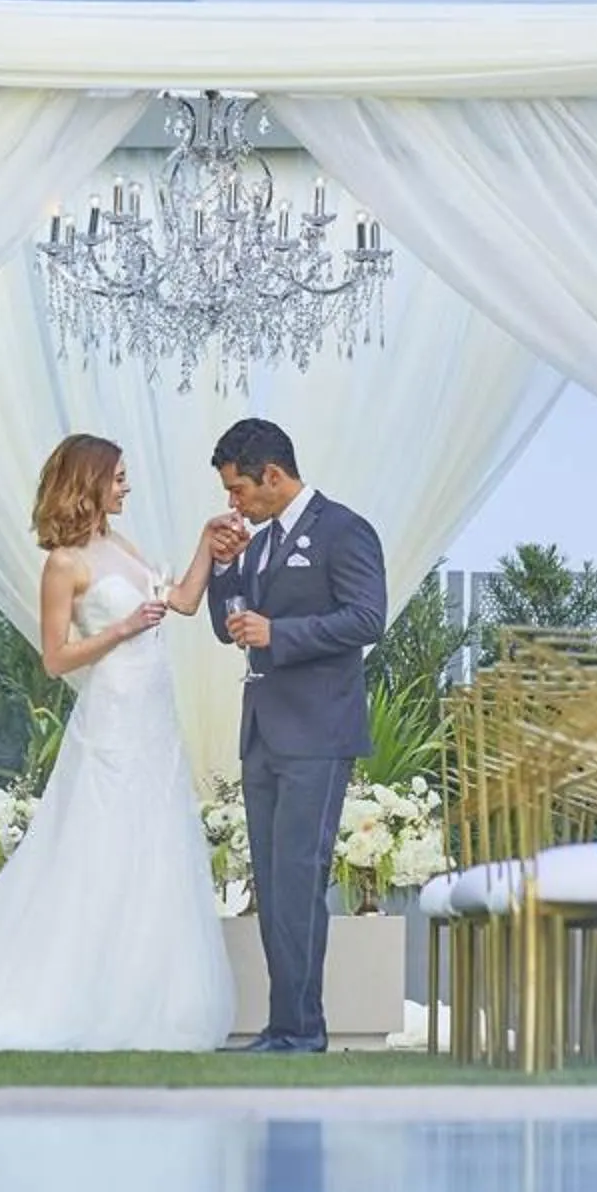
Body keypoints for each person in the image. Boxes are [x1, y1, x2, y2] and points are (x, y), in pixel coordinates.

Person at [0, 434, 236, 1052]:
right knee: (100, 848)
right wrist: (119, 629)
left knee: (156, 850)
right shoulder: (65, 563)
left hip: (155, 719)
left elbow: (185, 602)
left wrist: (206, 542)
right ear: (88, 482)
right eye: (117, 477)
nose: (125, 486)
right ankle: (76, 993)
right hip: (113, 716)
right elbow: (56, 659)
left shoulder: (119, 545)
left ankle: (151, 1000)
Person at [205, 419, 388, 1054]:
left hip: (317, 732)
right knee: (273, 882)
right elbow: (229, 627)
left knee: (299, 880)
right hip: (261, 733)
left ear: (273, 477)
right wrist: (226, 570)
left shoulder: (344, 530)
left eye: (239, 490)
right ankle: (285, 1025)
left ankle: (301, 1030)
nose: (235, 503)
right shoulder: (257, 542)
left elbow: (368, 618)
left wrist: (281, 634)